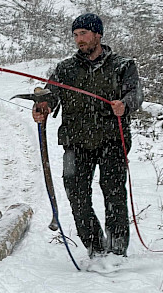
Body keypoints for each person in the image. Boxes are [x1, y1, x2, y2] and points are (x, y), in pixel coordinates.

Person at [32, 13, 144, 258]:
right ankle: (95, 246)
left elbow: (136, 95)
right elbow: (52, 94)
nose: (78, 39)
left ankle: (116, 251)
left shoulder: (123, 65)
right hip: (75, 142)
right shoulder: (65, 69)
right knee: (76, 193)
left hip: (112, 141)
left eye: (83, 33)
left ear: (98, 34)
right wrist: (43, 107)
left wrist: (124, 104)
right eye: (75, 35)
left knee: (114, 193)